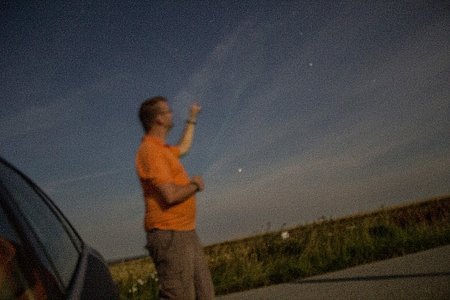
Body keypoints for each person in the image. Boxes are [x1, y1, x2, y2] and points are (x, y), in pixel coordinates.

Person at [135, 96, 215, 300]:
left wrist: (192, 118)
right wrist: (194, 185)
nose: (172, 114)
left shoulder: (164, 150)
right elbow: (169, 196)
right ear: (158, 119)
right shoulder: (150, 151)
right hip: (170, 234)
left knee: (204, 293)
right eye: (168, 111)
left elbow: (184, 147)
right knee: (179, 296)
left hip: (185, 231)